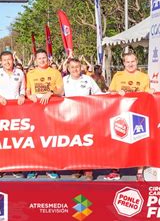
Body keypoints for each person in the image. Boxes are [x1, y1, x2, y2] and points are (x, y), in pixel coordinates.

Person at [105, 51, 153, 181]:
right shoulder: (118, 75)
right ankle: (115, 170)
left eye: (133, 61)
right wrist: (116, 92)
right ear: (123, 63)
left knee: (140, 142)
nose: (130, 64)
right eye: (127, 62)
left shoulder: (144, 77)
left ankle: (139, 172)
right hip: (121, 114)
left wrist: (150, 92)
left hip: (139, 113)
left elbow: (147, 92)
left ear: (137, 62)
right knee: (118, 141)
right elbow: (110, 92)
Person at [25, 49, 64, 179]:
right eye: (39, 58)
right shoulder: (30, 74)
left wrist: (51, 92)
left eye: (44, 58)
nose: (42, 60)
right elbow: (27, 91)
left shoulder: (55, 72)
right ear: (35, 60)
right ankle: (34, 167)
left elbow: (61, 91)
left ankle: (50, 167)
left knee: (50, 139)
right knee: (34, 139)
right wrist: (30, 96)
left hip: (51, 110)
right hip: (35, 110)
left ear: (48, 59)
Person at [63, 58, 102, 181]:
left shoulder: (88, 79)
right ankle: (77, 168)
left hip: (87, 116)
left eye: (77, 67)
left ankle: (88, 170)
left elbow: (98, 93)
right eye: (72, 67)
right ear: (68, 69)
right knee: (74, 143)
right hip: (71, 117)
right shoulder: (64, 80)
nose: (75, 69)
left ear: (81, 68)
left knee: (87, 143)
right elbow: (58, 94)